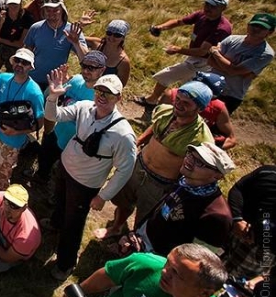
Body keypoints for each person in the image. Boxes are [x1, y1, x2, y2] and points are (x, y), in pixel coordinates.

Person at [45, 71, 137, 280]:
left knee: (73, 225)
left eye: (109, 94)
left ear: (119, 98)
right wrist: (53, 97)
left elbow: (125, 169)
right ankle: (54, 224)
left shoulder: (123, 134)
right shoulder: (84, 107)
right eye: (99, 91)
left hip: (85, 184)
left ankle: (65, 263)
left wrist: (103, 196)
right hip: (65, 167)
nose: (102, 97)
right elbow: (53, 116)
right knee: (59, 203)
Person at [100, 80, 214, 241]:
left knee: (147, 217)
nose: (179, 105)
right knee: (123, 202)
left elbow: (199, 168)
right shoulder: (165, 112)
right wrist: (138, 142)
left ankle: (135, 244)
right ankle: (117, 227)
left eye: (186, 103)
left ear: (200, 108)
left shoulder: (201, 138)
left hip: (161, 184)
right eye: (178, 99)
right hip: (137, 167)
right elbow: (154, 128)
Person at [115, 143, 234, 258]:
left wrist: (152, 259)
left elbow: (195, 260)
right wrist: (138, 234)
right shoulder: (185, 181)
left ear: (217, 176)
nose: (189, 161)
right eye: (190, 154)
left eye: (199, 163)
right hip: (143, 241)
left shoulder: (217, 217)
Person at [76, 243, 232, 297]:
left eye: (176, 273)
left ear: (204, 292)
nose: (164, 272)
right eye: (168, 263)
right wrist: (79, 292)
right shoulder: (147, 265)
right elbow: (108, 275)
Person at [135, 0, 232, 108]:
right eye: (207, 4)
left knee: (167, 75)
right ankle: (173, 109)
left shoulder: (221, 28)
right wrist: (160, 27)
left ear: (223, 8)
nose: (208, 8)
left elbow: (202, 51)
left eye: (213, 6)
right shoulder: (202, 15)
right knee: (187, 88)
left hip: (204, 62)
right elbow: (179, 22)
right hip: (194, 58)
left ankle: (152, 101)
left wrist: (178, 49)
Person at [0, 46, 44, 191]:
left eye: (24, 63)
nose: (20, 65)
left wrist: (17, 132)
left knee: (1, 176)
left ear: (30, 67)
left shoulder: (35, 92)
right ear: (12, 63)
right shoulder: (4, 78)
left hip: (13, 141)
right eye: (17, 60)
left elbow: (39, 123)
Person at [34, 52, 107, 184]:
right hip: (58, 131)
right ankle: (41, 177)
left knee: (63, 173)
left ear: (102, 70)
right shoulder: (75, 80)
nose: (86, 71)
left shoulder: (101, 96)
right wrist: (55, 88)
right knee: (44, 156)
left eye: (91, 68)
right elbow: (47, 98)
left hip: (75, 142)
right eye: (84, 66)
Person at [207, 12, 275, 114]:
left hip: (230, 95)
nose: (256, 29)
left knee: (213, 126)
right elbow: (210, 61)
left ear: (270, 32)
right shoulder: (231, 39)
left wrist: (216, 53)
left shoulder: (266, 53)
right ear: (248, 25)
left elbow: (233, 71)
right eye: (254, 25)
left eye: (262, 27)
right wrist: (232, 69)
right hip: (209, 87)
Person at [23, 0, 88, 90]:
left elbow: (86, 59)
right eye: (48, 10)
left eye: (55, 10)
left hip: (56, 82)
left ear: (62, 10)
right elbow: (26, 52)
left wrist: (76, 43)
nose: (51, 13)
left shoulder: (72, 31)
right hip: (32, 79)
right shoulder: (35, 28)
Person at [224, 165, 276, 280]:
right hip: (237, 232)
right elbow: (238, 189)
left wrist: (262, 278)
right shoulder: (268, 172)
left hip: (262, 252)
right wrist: (237, 219)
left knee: (234, 285)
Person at [160, 72, 237, 149]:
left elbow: (231, 139)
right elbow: (156, 121)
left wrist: (205, 151)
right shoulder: (172, 95)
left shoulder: (218, 108)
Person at [0, 0, 34, 72]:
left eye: (16, 4)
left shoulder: (27, 18)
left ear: (20, 3)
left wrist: (1, 40)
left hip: (14, 48)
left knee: (14, 70)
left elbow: (20, 43)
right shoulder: (0, 12)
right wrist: (1, 22)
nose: (13, 7)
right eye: (11, 4)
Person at [83, 18, 132, 87]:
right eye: (109, 33)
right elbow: (76, 37)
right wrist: (81, 25)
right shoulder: (96, 44)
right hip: (84, 84)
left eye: (117, 35)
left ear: (123, 38)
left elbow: (121, 85)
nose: (112, 37)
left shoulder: (123, 61)